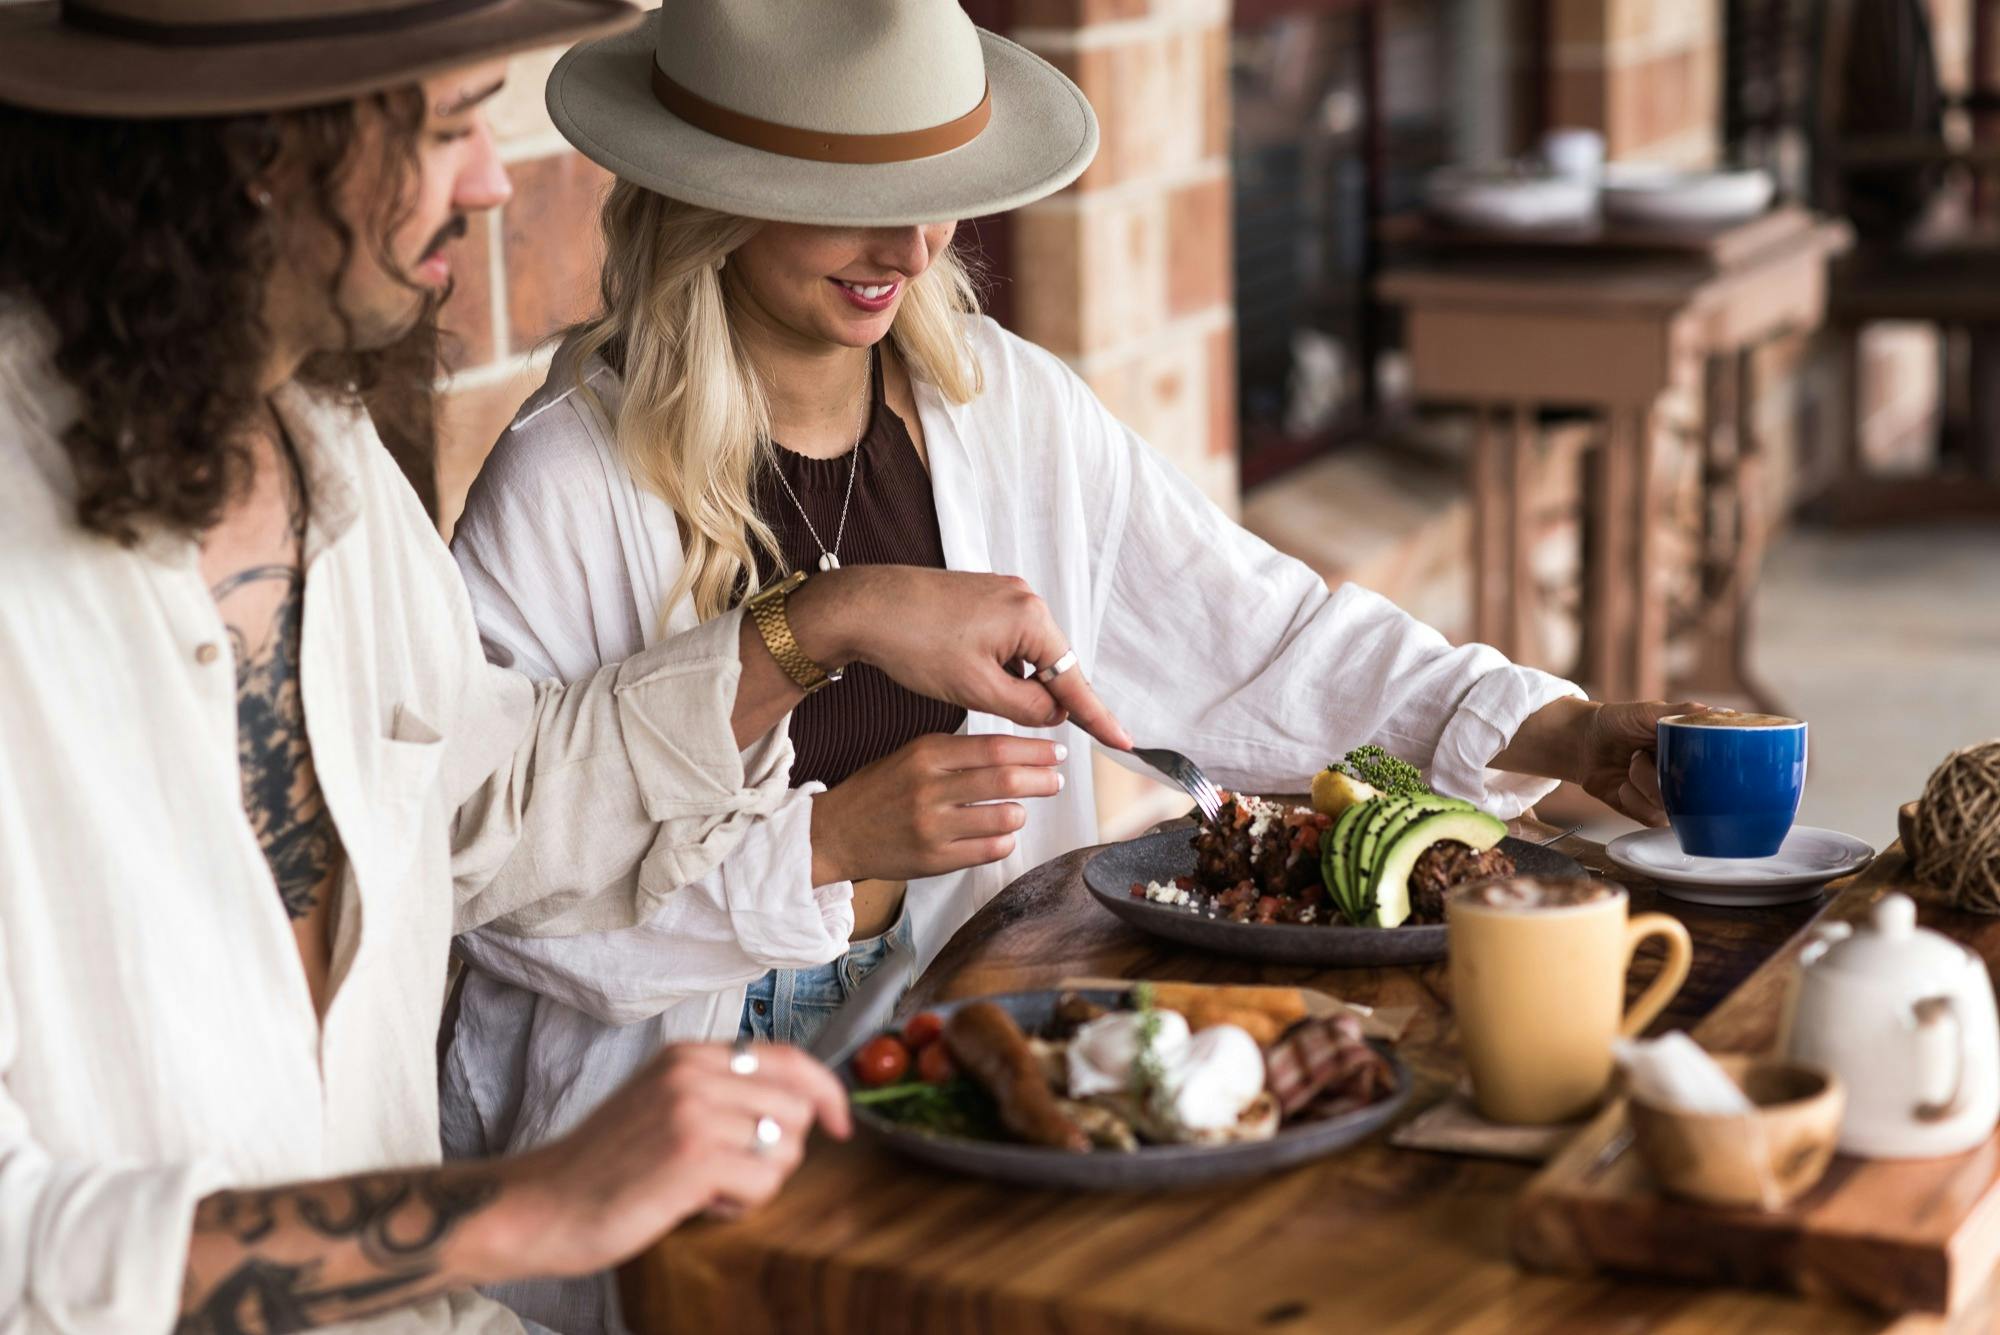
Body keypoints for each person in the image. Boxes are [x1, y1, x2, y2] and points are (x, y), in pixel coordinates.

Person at [440, 1, 1687, 1328]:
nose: (912, 248)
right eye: (853, 199)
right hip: (668, 1128)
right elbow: (498, 899)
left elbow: (1261, 636)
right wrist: (827, 857)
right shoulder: (568, 486)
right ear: (712, 197)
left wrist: (1554, 729)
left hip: (979, 1057)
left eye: (936, 197)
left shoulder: (1005, 407)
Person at [0, 2, 1131, 1331]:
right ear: (261, 151)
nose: (492, 180)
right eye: (446, 126)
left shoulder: (323, 457)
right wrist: (541, 1204)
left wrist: (818, 622)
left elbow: (495, 805)